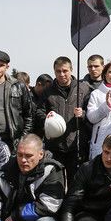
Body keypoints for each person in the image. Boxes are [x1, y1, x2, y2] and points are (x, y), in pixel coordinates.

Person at [37, 56, 90, 186]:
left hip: (76, 144)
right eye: (58, 71)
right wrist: (47, 118)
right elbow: (38, 112)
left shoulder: (84, 88)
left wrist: (82, 114)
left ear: (71, 70)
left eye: (65, 71)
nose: (62, 74)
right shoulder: (48, 91)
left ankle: (72, 206)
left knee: (75, 181)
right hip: (55, 145)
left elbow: (93, 113)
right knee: (54, 180)